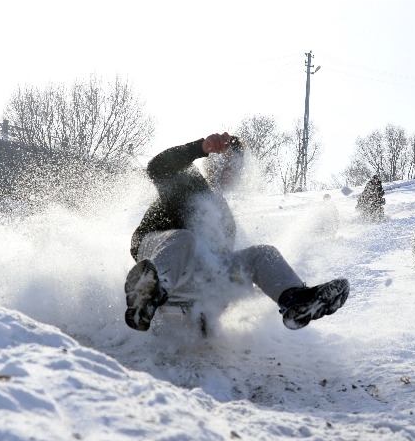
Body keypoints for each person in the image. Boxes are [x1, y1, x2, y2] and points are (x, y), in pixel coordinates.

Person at [124, 132, 350, 332]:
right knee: (185, 238)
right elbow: (156, 165)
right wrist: (200, 147)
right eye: (227, 160)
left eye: (236, 166)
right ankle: (148, 292)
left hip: (187, 277)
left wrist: (219, 299)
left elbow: (218, 264)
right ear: (212, 159)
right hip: (155, 254)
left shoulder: (225, 219)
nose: (231, 170)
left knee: (262, 254)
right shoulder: (187, 179)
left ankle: (296, 301)